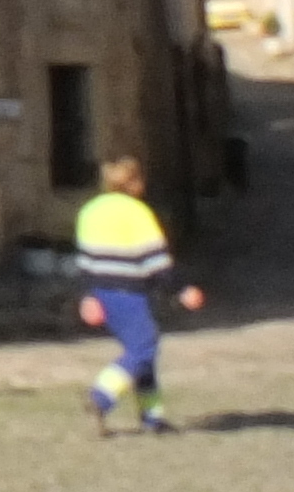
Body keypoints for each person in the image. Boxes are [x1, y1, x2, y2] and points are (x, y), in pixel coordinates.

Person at [73, 154, 203, 436]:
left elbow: (84, 261)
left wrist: (87, 295)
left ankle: (152, 417)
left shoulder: (89, 211)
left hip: (101, 291)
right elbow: (156, 261)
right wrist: (181, 289)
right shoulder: (137, 213)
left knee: (141, 354)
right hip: (128, 291)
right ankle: (100, 396)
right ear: (134, 183)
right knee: (144, 347)